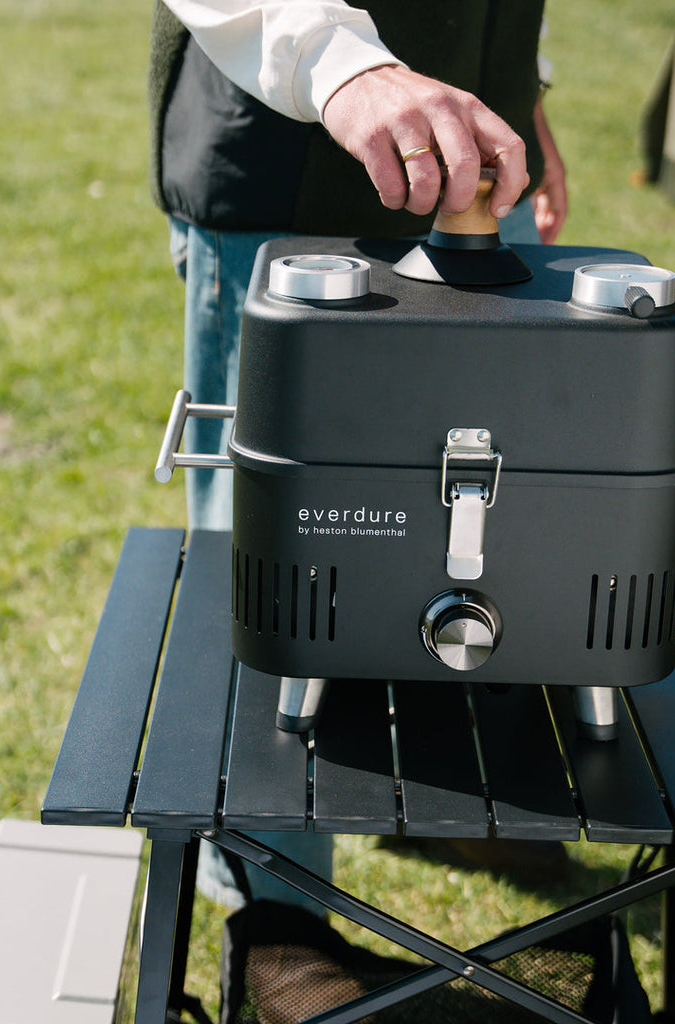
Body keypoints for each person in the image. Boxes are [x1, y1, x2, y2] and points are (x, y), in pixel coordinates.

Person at [148, 0, 569, 916]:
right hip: (290, 164)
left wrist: (521, 92)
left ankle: (451, 791)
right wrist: (343, 64)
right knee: (278, 569)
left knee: (476, 515)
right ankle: (277, 908)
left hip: (477, 166)